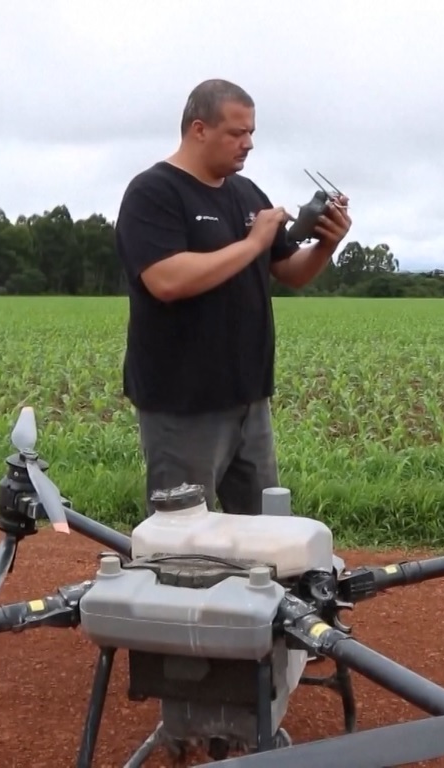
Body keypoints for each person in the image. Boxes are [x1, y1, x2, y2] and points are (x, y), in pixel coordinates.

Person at [113, 78, 352, 518]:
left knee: (263, 534)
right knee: (183, 541)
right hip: (182, 404)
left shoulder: (247, 193)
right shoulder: (154, 192)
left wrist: (326, 244)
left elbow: (290, 272)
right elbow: (165, 279)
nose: (248, 145)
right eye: (236, 133)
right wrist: (250, 245)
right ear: (198, 129)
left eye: (252, 133)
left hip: (248, 399)